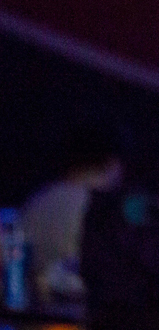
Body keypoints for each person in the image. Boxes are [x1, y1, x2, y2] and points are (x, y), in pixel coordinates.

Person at [22, 124, 123, 308]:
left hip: (34, 317)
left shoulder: (37, 201)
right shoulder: (103, 208)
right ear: (112, 162)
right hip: (82, 317)